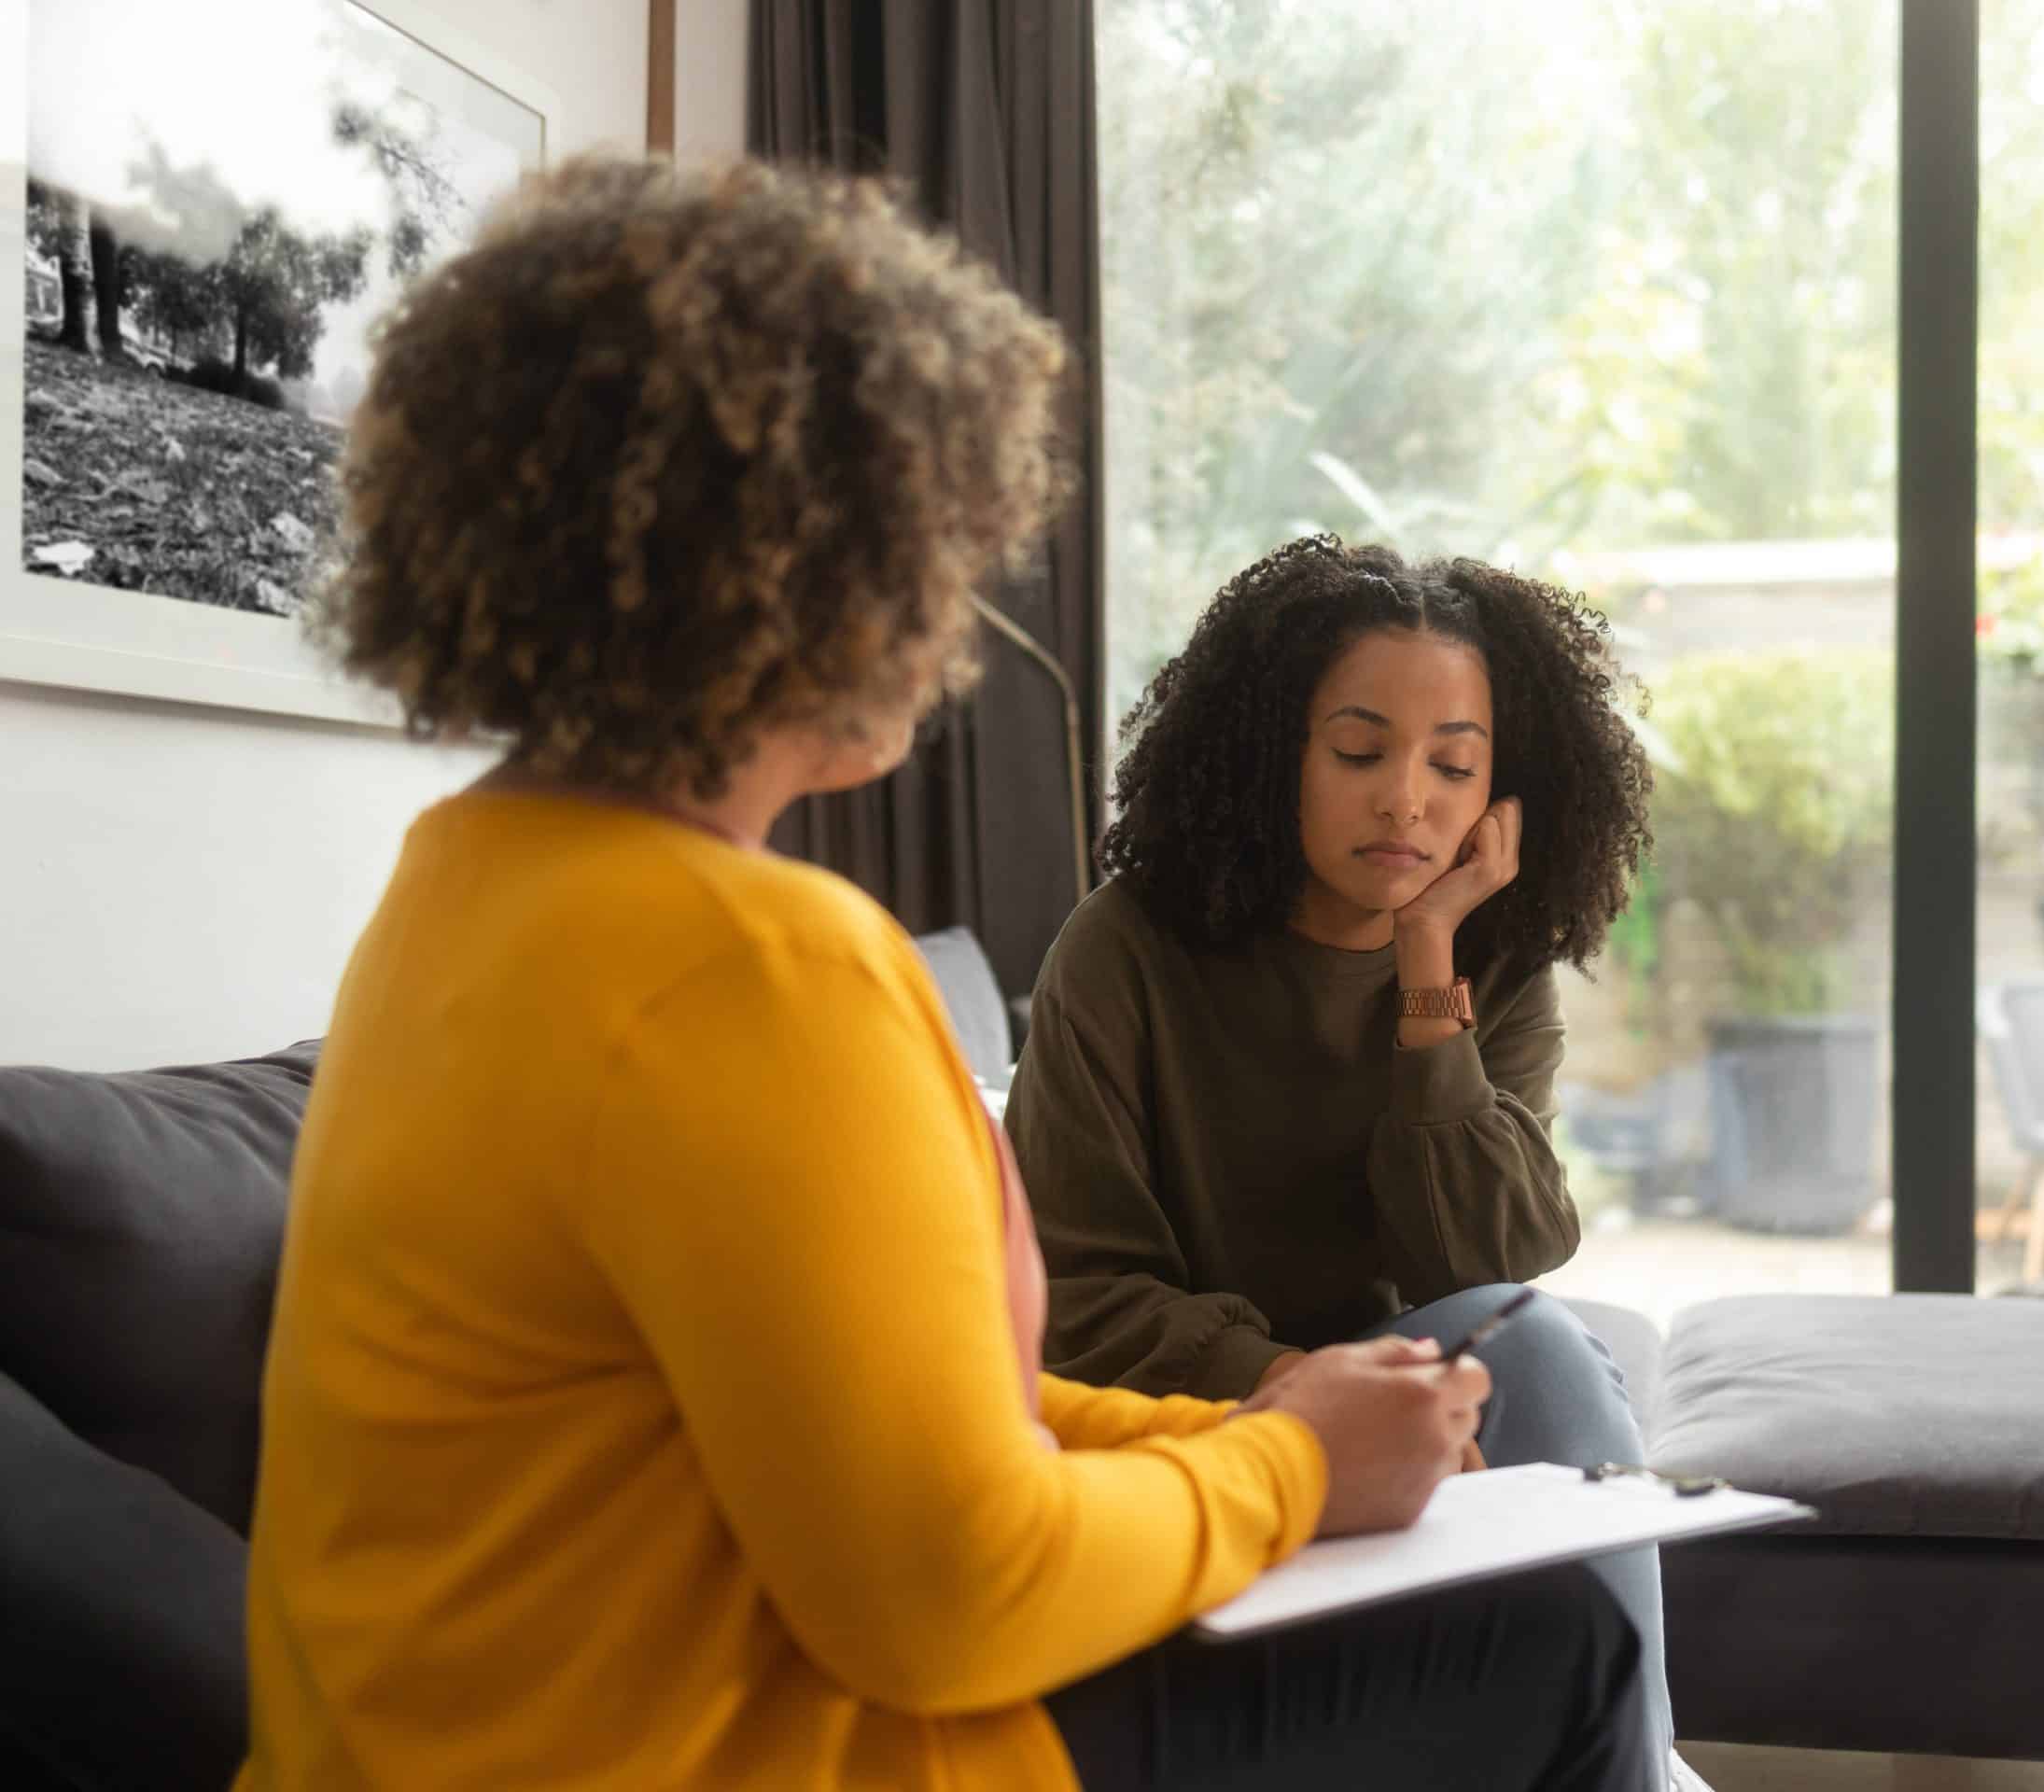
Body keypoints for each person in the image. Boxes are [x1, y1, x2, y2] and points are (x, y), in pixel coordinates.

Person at [234, 156, 1650, 1792]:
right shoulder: (760, 969)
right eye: (929, 543)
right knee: (1558, 1634)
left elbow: (920, 1419)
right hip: (739, 1751)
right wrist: (1278, 1468)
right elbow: (949, 1595)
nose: (952, 608)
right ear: (801, 568)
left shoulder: (457, 893)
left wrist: (1278, 1428)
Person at [1005, 536, 1693, 1781]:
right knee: (1531, 1348)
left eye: (1454, 764)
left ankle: (1631, 1763)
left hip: (1431, 1424)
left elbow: (1498, 1254)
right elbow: (1080, 1302)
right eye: (1361, 752)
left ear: (1506, 787)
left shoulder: (1494, 954)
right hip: (1213, 1431)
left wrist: (1430, 963)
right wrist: (1321, 1404)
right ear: (1278, 756)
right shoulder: (1123, 954)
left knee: (1531, 1336)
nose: (1408, 802)